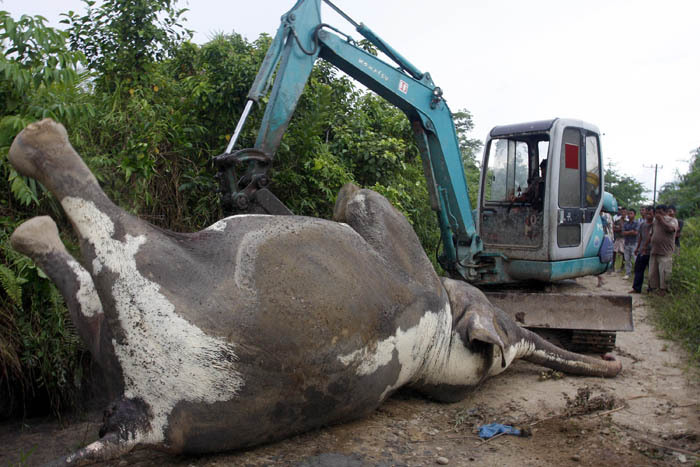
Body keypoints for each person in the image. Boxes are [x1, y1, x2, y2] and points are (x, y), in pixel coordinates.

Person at [645, 204, 679, 296]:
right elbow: (651, 234)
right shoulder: (655, 222)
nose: (658, 214)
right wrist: (645, 246)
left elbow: (671, 229)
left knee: (665, 273)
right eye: (657, 212)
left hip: (665, 252)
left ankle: (664, 291)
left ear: (665, 212)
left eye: (660, 212)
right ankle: (654, 289)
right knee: (653, 273)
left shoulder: (672, 220)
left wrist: (662, 220)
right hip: (654, 251)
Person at [630, 206, 653, 294]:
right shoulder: (643, 224)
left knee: (651, 271)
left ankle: (650, 289)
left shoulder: (655, 224)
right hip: (642, 250)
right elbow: (640, 237)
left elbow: (651, 236)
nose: (648, 215)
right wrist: (638, 248)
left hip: (651, 251)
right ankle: (636, 288)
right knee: (638, 269)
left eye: (650, 213)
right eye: (647, 213)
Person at [621, 208, 638, 279]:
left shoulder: (637, 223)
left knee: (635, 259)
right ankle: (628, 273)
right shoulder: (625, 223)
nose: (629, 215)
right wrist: (631, 231)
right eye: (628, 213)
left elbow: (636, 233)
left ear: (634, 215)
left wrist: (628, 232)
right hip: (627, 243)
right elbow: (623, 233)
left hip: (634, 243)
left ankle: (636, 273)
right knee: (627, 259)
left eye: (631, 213)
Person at [612, 207, 626, 272]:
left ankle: (622, 266)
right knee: (614, 251)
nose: (623, 213)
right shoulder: (617, 220)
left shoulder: (627, 221)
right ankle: (612, 266)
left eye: (624, 212)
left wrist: (619, 228)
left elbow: (623, 230)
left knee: (623, 253)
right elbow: (613, 228)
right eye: (622, 212)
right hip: (617, 238)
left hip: (624, 238)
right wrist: (619, 229)